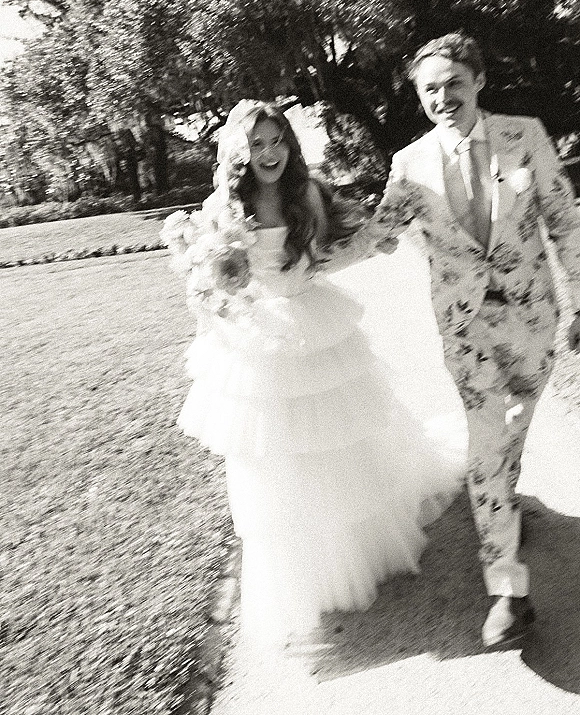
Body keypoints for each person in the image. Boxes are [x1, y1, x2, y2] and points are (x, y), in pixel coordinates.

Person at [162, 100, 462, 648]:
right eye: (257, 144)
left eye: (277, 140)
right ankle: (300, 577)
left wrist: (375, 243)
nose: (269, 153)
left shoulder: (308, 195)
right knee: (272, 464)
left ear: (289, 145)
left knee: (334, 449)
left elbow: (329, 254)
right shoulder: (219, 208)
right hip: (256, 342)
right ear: (238, 151)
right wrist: (217, 318)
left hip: (309, 326)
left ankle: (356, 553)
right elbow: (201, 283)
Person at [376, 33, 580, 649]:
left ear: (479, 82)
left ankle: (504, 509)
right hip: (466, 334)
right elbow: (378, 234)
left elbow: (564, 219)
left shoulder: (526, 135)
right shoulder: (409, 164)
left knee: (509, 435)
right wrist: (283, 241)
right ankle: (507, 590)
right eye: (429, 89)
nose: (443, 97)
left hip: (533, 323)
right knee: (487, 444)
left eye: (453, 83)